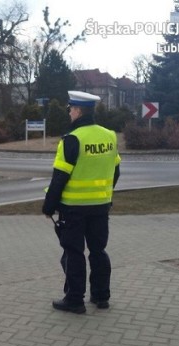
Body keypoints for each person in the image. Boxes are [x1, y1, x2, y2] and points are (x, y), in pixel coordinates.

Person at [42, 90, 121, 314]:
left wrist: (49, 206)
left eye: (70, 109)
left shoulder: (72, 139)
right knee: (98, 251)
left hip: (74, 209)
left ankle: (75, 299)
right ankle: (101, 296)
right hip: (101, 206)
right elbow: (116, 171)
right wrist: (105, 194)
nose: (69, 113)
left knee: (74, 253)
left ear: (78, 110)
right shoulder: (109, 136)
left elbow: (59, 177)